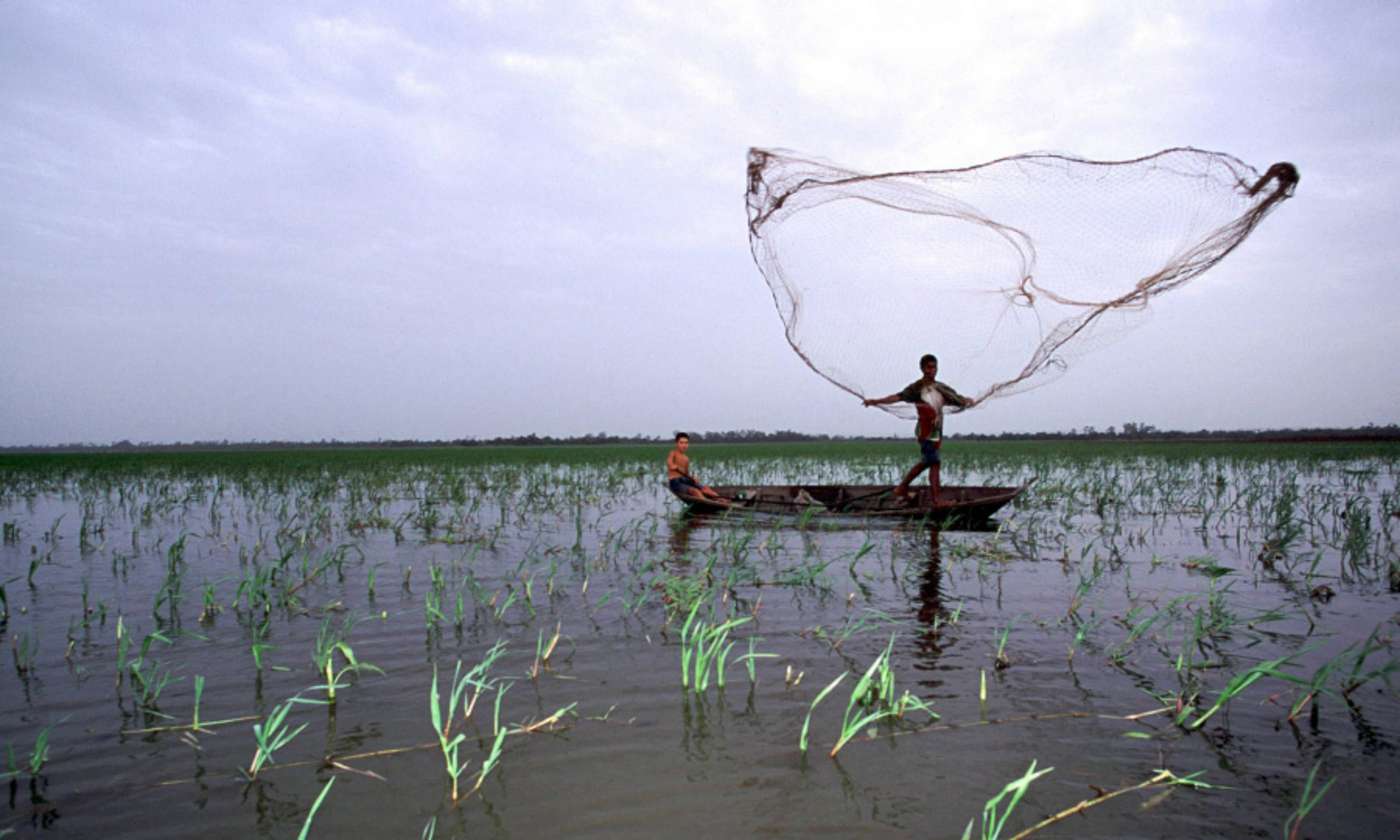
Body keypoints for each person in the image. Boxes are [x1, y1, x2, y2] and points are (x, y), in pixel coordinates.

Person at [863, 354, 976, 501]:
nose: (932, 370)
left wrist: (967, 401)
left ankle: (926, 496)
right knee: (930, 461)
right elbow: (897, 397)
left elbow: (955, 399)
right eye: (929, 367)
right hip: (925, 430)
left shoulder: (940, 388)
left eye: (934, 367)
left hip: (937, 431)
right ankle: (906, 489)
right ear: (922, 369)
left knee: (934, 463)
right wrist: (875, 401)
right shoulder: (917, 388)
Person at [666, 432, 723, 501]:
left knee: (705, 488)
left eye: (686, 443)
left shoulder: (686, 458)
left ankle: (720, 499)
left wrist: (692, 478)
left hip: (685, 480)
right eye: (681, 443)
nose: (684, 445)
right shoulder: (673, 453)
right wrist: (672, 465)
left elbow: (686, 473)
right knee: (695, 491)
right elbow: (669, 462)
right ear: (677, 443)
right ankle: (707, 502)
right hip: (675, 481)